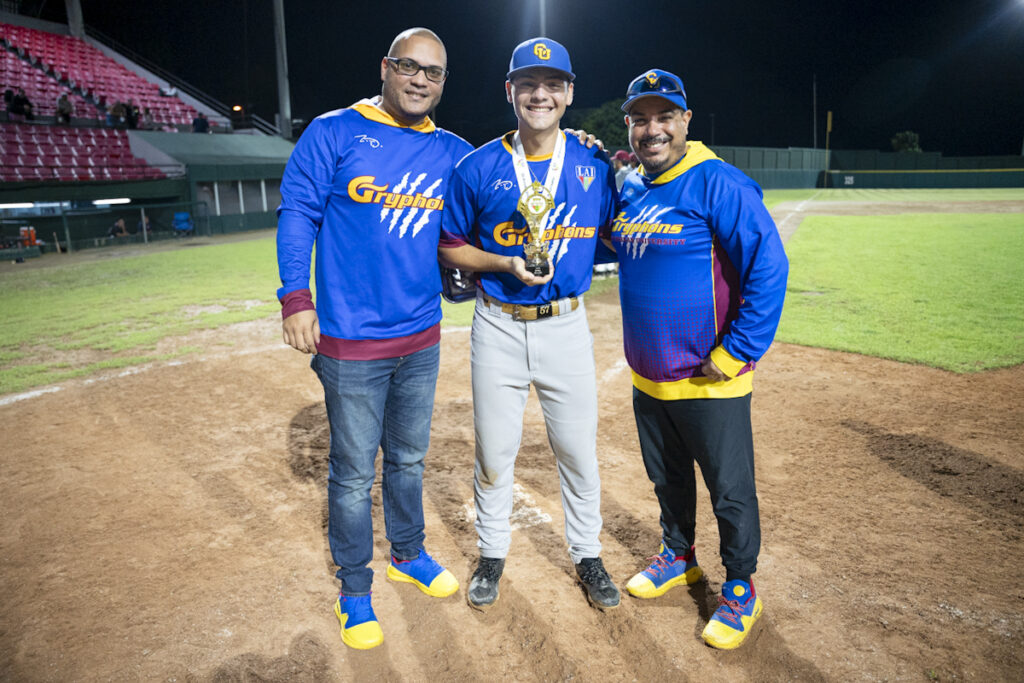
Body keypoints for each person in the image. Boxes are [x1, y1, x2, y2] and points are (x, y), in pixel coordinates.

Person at [275, 27, 473, 651]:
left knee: (410, 459)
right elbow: (298, 212)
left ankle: (407, 554)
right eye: (410, 67)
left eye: (434, 73)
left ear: (444, 82)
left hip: (421, 337)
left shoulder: (452, 151)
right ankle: (355, 589)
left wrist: (570, 140)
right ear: (385, 68)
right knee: (355, 472)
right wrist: (296, 297)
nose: (420, 80)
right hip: (350, 341)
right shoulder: (333, 131)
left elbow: (506, 172)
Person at [604, 69, 788, 650]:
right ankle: (678, 555)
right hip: (649, 374)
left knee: (729, 489)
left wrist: (737, 351)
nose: (651, 129)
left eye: (664, 117)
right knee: (668, 478)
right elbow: (622, 241)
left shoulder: (717, 182)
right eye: (639, 119)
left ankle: (739, 586)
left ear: (686, 119)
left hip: (710, 377)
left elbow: (768, 266)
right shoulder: (633, 186)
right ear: (629, 127)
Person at [439, 38, 620, 612]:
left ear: (569, 93)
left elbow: (619, 234)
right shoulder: (478, 166)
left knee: (576, 451)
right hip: (497, 325)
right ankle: (492, 553)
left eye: (552, 84)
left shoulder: (595, 163)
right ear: (510, 91)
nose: (539, 94)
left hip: (566, 326)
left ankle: (587, 554)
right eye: (528, 83)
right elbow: (450, 248)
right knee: (495, 450)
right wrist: (502, 263)